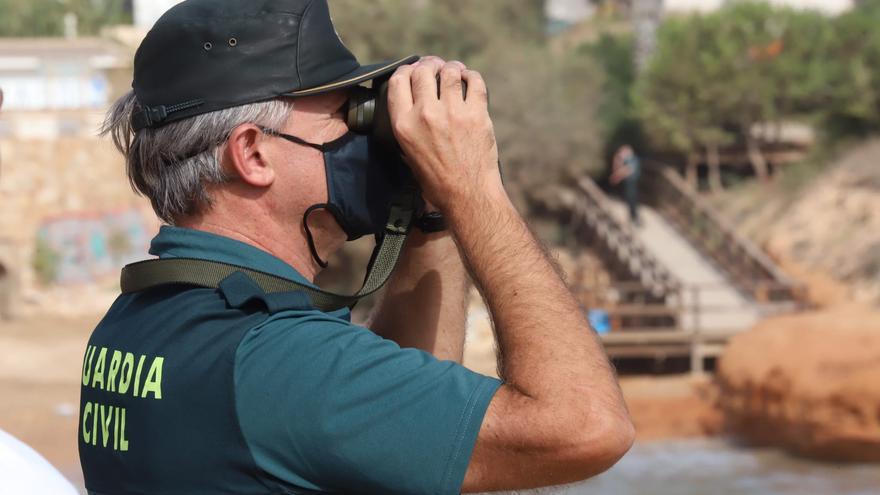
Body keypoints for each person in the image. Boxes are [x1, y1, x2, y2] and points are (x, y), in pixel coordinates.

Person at [77, 1, 634, 494]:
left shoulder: (143, 319)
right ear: (253, 154)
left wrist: (431, 212)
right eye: (347, 115)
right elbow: (586, 426)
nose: (364, 138)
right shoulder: (280, 363)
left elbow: (397, 443)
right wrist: (475, 189)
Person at [610, 144, 642, 225]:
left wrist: (617, 176)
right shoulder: (625, 159)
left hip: (632, 182)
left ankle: (635, 219)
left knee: (632, 200)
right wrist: (617, 159)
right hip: (627, 182)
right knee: (628, 200)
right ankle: (632, 218)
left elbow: (627, 170)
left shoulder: (632, 159)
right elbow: (617, 168)